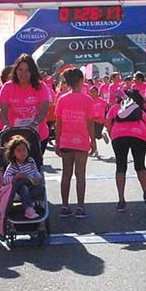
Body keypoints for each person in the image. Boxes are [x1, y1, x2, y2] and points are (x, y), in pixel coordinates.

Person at [54, 68, 96, 218]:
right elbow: (90, 123)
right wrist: (93, 142)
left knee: (66, 174)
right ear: (81, 81)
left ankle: (65, 206)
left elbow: (58, 123)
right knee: (80, 175)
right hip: (82, 141)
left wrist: (57, 142)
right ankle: (80, 206)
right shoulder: (87, 100)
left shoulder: (62, 99)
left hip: (66, 140)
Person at [107, 89, 146, 212]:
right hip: (138, 135)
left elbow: (108, 123)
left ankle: (121, 200)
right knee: (140, 165)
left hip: (119, 135)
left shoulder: (115, 108)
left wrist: (112, 136)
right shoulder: (138, 109)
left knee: (121, 166)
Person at [0, 54, 52, 149]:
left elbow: (43, 110)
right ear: (15, 71)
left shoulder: (41, 87)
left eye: (27, 70)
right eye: (20, 70)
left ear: (32, 72)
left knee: (34, 163)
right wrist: (7, 125)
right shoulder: (7, 87)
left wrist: (34, 124)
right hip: (14, 137)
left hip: (37, 134)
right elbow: (3, 111)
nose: (23, 74)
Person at [2, 134, 44, 219]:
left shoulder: (31, 161)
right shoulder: (13, 166)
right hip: (19, 190)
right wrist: (16, 177)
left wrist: (38, 177)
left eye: (24, 150)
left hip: (32, 185)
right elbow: (5, 179)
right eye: (18, 151)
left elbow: (35, 172)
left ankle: (31, 204)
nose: (22, 153)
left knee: (41, 188)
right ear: (13, 154)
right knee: (23, 187)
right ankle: (29, 210)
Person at [89, 84, 109, 157]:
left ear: (97, 92)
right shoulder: (88, 101)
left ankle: (102, 135)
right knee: (92, 136)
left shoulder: (102, 101)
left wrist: (107, 117)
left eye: (94, 91)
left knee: (97, 136)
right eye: (91, 92)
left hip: (100, 121)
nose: (93, 93)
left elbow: (108, 107)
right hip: (91, 120)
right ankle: (95, 150)